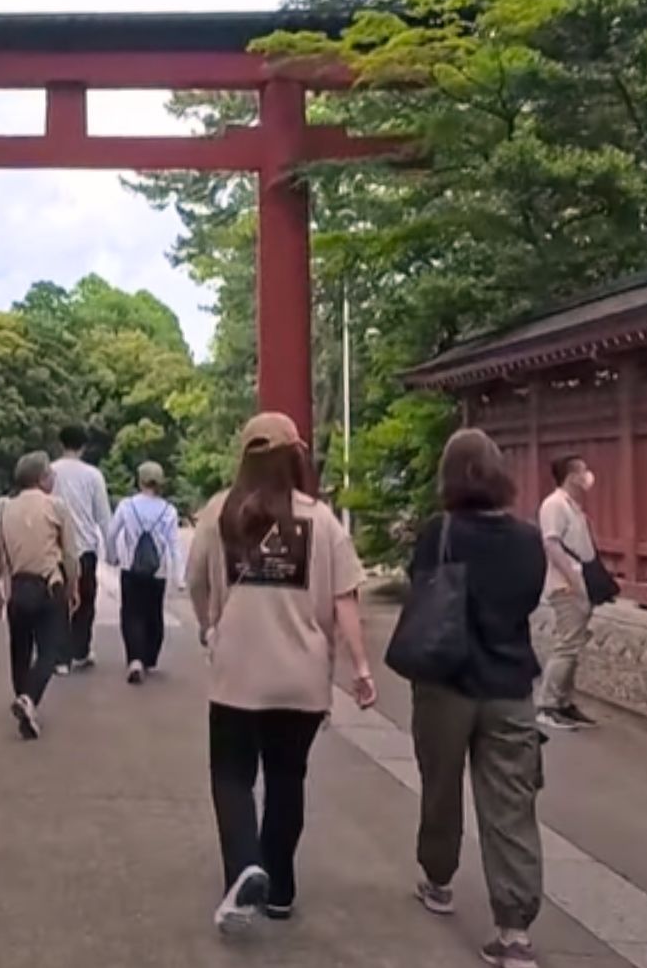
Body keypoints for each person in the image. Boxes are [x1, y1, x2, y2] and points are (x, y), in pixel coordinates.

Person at [187, 413, 375, 934]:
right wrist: (361, 668)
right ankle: (281, 888)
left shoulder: (219, 513)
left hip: (237, 673)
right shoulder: (322, 520)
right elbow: (345, 601)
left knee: (232, 775)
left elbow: (196, 581)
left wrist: (210, 626)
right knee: (288, 778)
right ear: (296, 457)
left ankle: (246, 866)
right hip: (302, 678)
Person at [409, 429, 549, 968]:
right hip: (510, 685)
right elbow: (528, 599)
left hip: (445, 682)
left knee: (440, 787)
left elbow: (420, 589)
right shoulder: (528, 539)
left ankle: (438, 880)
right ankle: (514, 931)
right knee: (512, 804)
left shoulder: (438, 533)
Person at [0, 451, 78, 740]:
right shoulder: (56, 507)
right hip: (50, 586)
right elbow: (71, 555)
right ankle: (29, 698)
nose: (52, 478)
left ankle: (23, 698)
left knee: (20, 650)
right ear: (41, 478)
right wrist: (73, 587)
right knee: (50, 649)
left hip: (18, 587)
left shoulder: (4, 510)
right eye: (50, 473)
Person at [537, 454, 600, 732]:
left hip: (578, 582)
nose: (588, 475)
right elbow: (551, 544)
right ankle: (548, 704)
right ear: (572, 475)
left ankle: (564, 701)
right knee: (567, 644)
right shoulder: (555, 505)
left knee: (573, 646)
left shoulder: (573, 506)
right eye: (583, 470)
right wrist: (574, 579)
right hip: (566, 584)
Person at [107, 460, 181, 683]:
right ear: (160, 483)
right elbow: (174, 546)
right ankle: (149, 658)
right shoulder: (169, 510)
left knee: (131, 613)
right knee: (153, 614)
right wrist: (179, 576)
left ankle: (135, 659)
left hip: (131, 568)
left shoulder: (127, 505)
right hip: (157, 573)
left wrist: (113, 557)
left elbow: (112, 533)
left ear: (139, 480)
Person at [49, 424, 111, 671]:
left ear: (60, 443)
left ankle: (59, 656)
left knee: (58, 602)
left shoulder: (50, 472)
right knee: (85, 600)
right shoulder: (93, 475)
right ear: (84, 446)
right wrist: (113, 549)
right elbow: (104, 516)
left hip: (55, 546)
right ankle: (80, 650)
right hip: (85, 547)